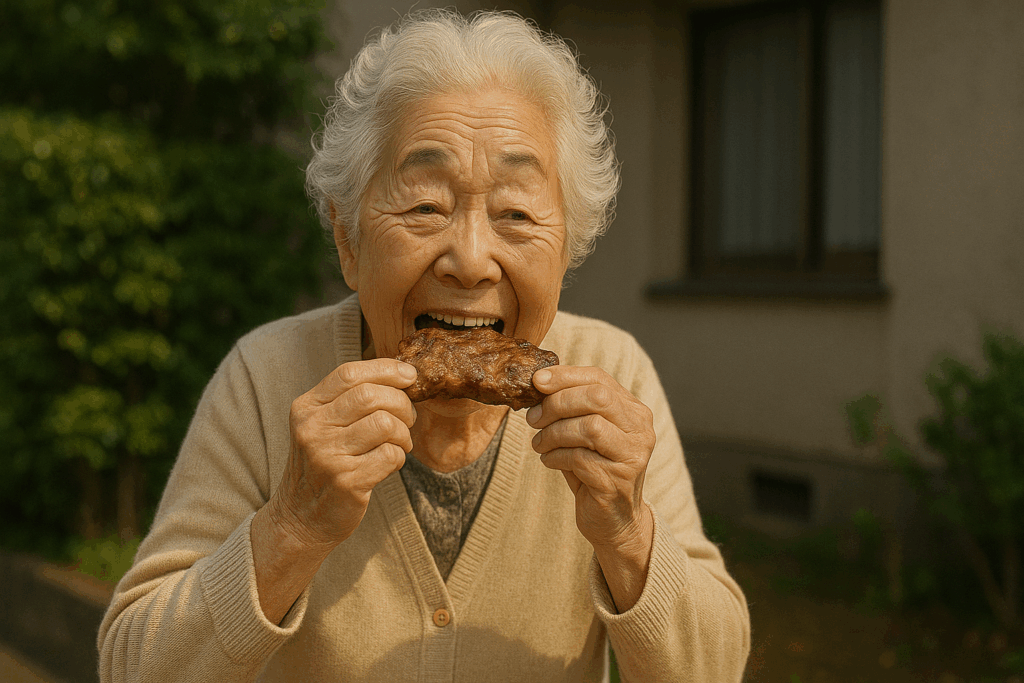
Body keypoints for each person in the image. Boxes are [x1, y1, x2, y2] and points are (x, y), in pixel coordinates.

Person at [98, 9, 750, 682]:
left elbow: (716, 668)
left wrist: (627, 530)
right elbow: (132, 667)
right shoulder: (267, 379)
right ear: (349, 242)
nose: (469, 261)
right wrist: (290, 527)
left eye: (516, 214)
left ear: (566, 251)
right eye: (424, 207)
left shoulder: (616, 378)